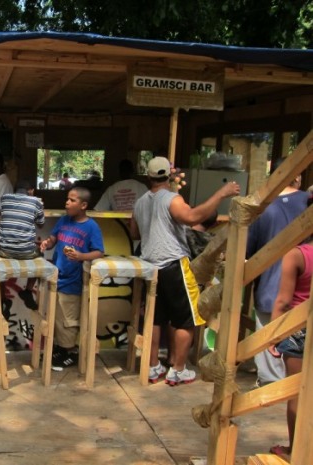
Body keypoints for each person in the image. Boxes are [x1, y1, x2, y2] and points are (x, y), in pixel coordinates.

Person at [130, 156, 240, 385]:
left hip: (151, 265)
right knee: (187, 319)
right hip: (173, 264)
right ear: (168, 176)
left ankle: (152, 367)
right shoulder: (172, 199)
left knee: (155, 318)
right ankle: (178, 370)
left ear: (148, 176)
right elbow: (192, 218)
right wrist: (221, 193)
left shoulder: (140, 202)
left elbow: (134, 233)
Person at [247, 162, 308, 386]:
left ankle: (270, 389)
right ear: (297, 177)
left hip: (268, 289)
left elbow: (247, 251)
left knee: (268, 351)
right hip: (303, 291)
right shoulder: (307, 202)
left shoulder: (261, 207)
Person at [40, 186, 104, 371]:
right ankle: (60, 349)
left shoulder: (91, 227)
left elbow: (99, 252)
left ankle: (70, 352)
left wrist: (81, 257)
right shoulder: (64, 220)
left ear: (83, 205)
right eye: (67, 199)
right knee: (56, 317)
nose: (67, 203)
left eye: (72, 200)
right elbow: (54, 237)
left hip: (74, 280)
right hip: (57, 276)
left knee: (68, 320)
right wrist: (48, 242)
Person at [268, 238, 312, 460]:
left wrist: (273, 337)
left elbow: (283, 302)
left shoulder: (297, 255)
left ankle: (296, 450)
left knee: (296, 393)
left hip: (299, 329)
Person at [0, 179, 45, 313]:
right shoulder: (36, 202)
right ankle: (28, 290)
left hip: (4, 252)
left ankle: (3, 299)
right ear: (31, 191)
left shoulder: (4, 198)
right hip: (27, 252)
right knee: (41, 254)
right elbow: (41, 224)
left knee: (0, 263)